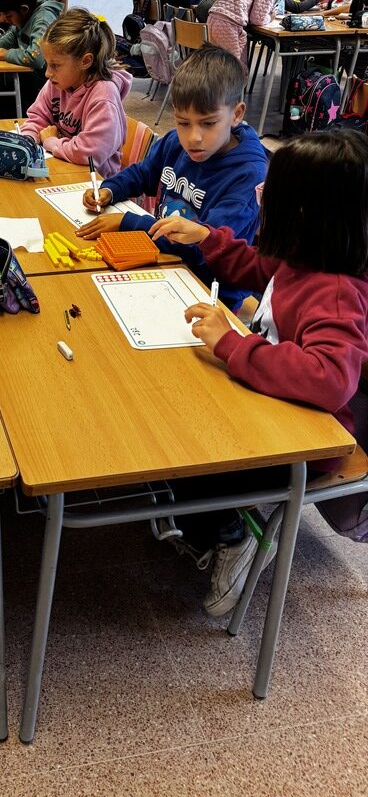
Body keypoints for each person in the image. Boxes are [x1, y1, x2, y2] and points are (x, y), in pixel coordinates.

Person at [147, 130, 368, 615]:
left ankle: (234, 535)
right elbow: (260, 268)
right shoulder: (306, 252)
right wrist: (208, 238)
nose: (261, 196)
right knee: (171, 413)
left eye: (273, 193)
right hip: (268, 401)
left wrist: (233, 344)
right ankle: (205, 514)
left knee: (189, 457)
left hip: (305, 440)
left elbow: (331, 379)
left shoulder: (336, 291)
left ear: (304, 212)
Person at [76, 46, 267, 311]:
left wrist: (128, 222)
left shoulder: (248, 175)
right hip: (165, 259)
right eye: (183, 122)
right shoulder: (176, 142)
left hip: (208, 294)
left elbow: (202, 246)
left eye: (208, 123)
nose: (193, 137)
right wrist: (111, 189)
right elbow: (143, 173)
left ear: (236, 114)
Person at [19, 8, 129, 179]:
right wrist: (27, 142)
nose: (47, 73)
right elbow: (38, 118)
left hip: (95, 181)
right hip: (62, 165)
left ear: (85, 61)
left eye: (55, 65)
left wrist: (51, 142)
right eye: (47, 64)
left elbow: (89, 153)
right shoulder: (58, 82)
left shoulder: (104, 96)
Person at [207, 0, 295, 73]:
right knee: (233, 69)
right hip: (228, 25)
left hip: (214, 20)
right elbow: (258, 19)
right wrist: (270, 17)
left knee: (225, 65)